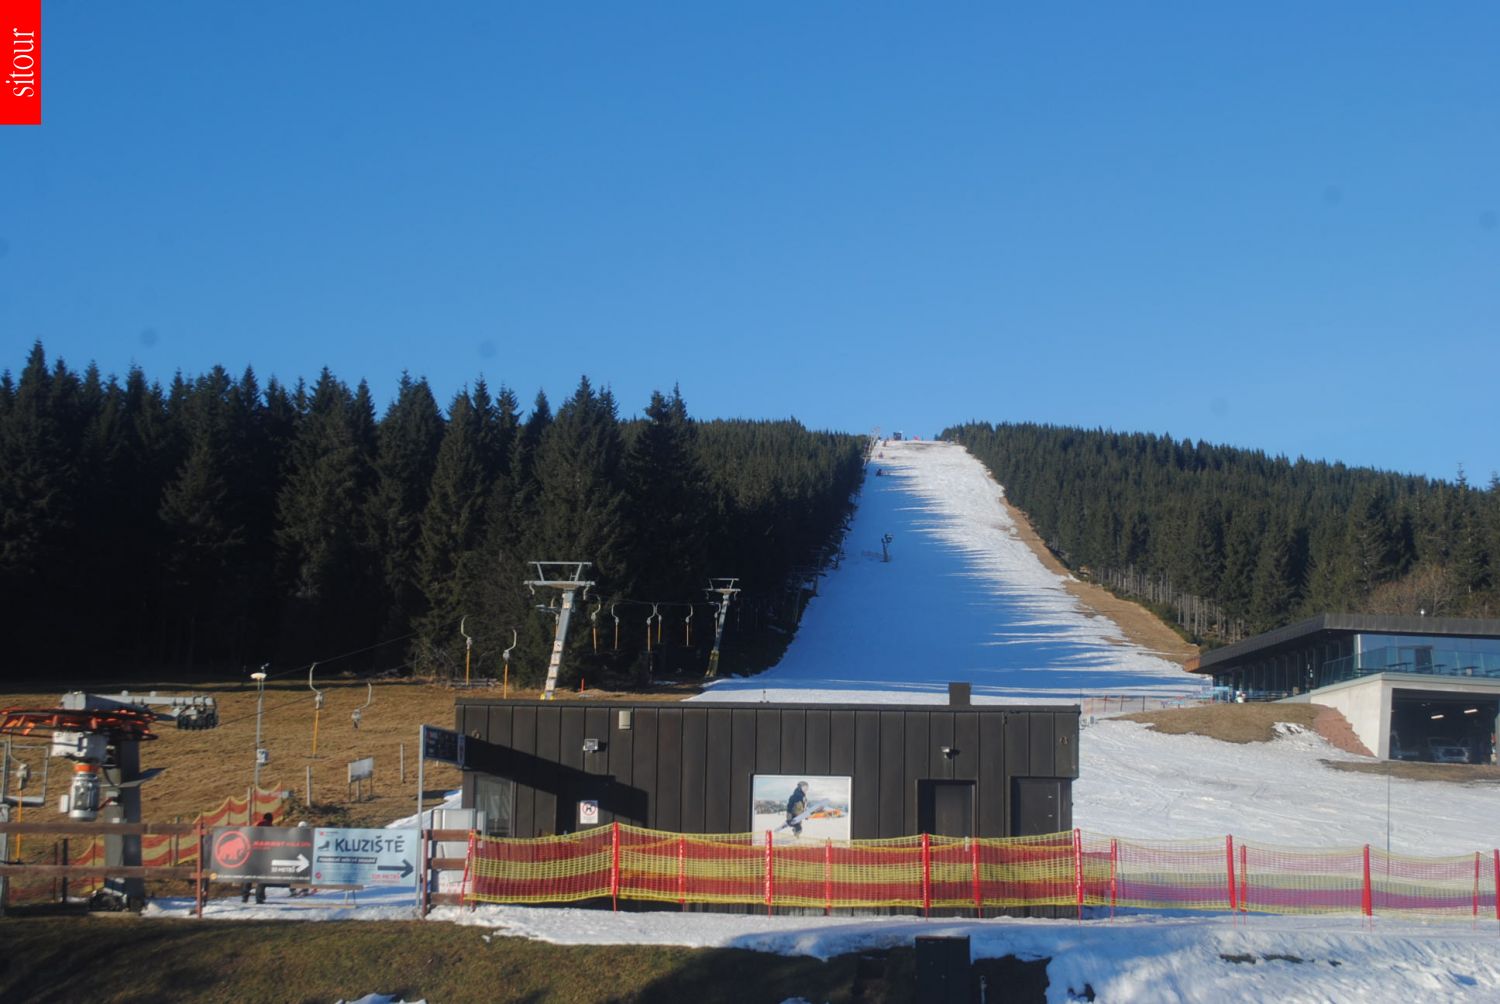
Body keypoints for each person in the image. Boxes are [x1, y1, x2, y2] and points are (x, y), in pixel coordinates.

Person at [241, 813, 275, 903]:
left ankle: (245, 897)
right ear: (271, 819)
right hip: (263, 855)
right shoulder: (271, 827)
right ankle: (259, 897)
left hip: (252, 853)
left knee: (249, 876)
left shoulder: (256, 824)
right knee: (261, 877)